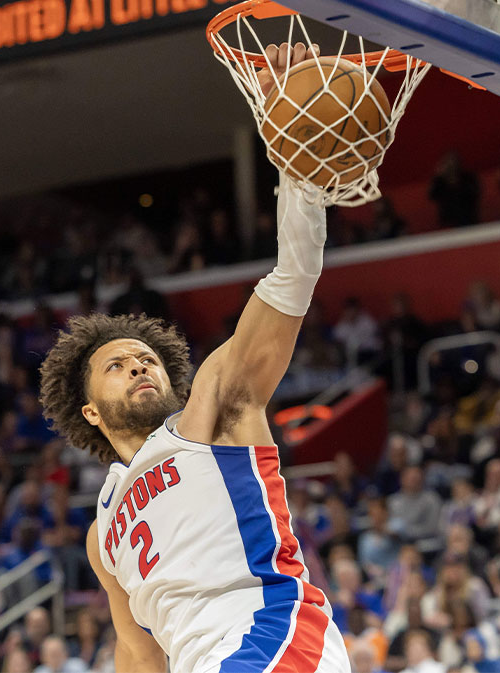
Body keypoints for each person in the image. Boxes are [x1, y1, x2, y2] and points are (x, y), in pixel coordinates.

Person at [39, 40, 347, 673]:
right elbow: (136, 650)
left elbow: (291, 278)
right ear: (90, 411)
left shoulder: (211, 413)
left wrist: (298, 165)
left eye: (146, 358)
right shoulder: (103, 533)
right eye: (118, 365)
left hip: (271, 635)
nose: (140, 366)